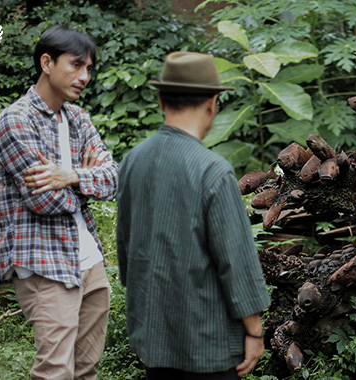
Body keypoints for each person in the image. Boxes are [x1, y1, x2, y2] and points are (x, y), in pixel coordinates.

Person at [116, 51, 271, 380]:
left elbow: (128, 251)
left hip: (153, 338)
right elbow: (237, 261)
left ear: (160, 100)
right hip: (208, 345)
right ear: (213, 102)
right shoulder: (212, 171)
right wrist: (255, 332)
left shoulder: (132, 161)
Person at [0, 25, 118, 380]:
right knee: (56, 371)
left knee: (87, 368)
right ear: (47, 62)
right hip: (44, 263)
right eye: (76, 65)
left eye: (89, 68)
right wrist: (85, 177)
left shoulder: (78, 118)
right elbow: (44, 198)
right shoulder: (15, 121)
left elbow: (115, 178)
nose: (85, 77)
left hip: (89, 258)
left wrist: (71, 176)